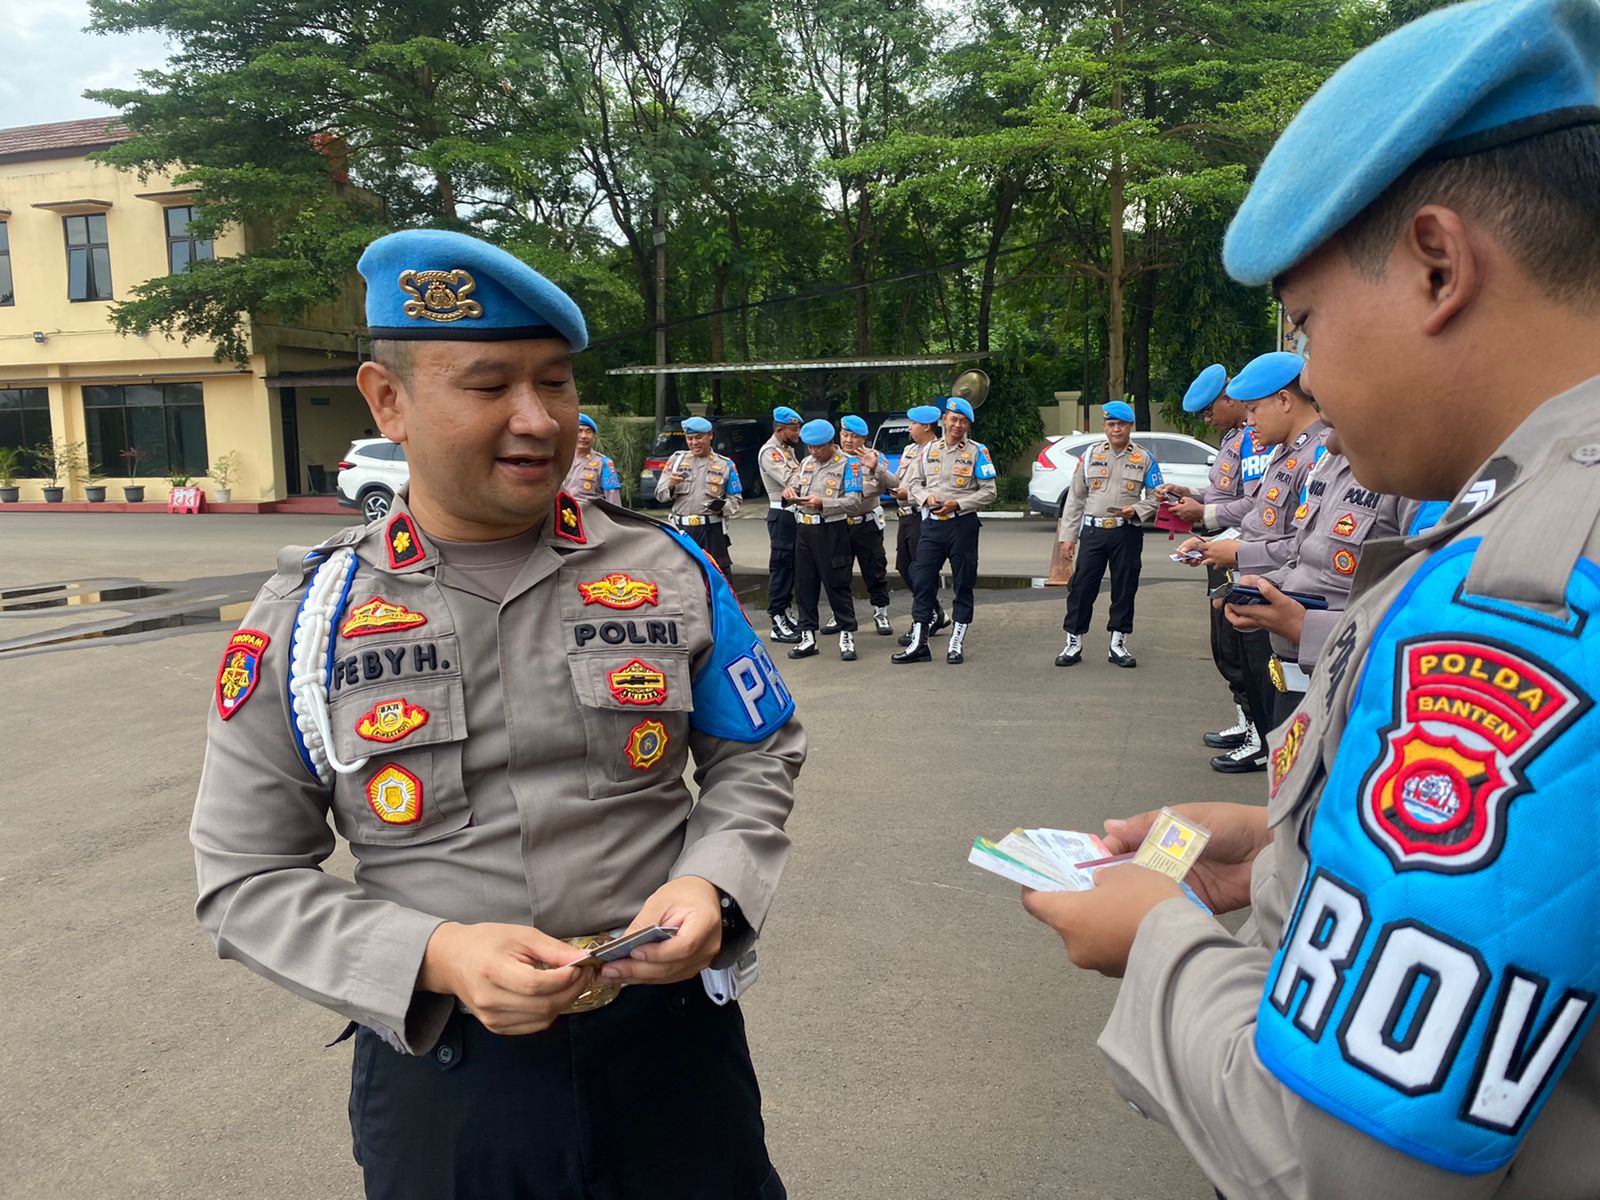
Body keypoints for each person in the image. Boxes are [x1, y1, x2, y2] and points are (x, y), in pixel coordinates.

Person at [1022, 3, 1600, 1197]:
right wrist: (1283, 850)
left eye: (1306, 322)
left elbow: (1345, 1160)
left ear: (1438, 265)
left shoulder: (1523, 590)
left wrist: (1157, 946)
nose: (1308, 376)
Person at [191, 229, 804, 1200]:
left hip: (675, 1057)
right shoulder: (307, 619)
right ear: (387, 401)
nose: (536, 419)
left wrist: (714, 886)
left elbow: (756, 751)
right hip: (448, 1080)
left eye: (555, 383)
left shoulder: (668, 573)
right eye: (489, 386)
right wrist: (435, 953)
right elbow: (243, 877)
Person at [1177, 350, 1329, 772]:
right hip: (1258, 585)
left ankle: (1263, 748)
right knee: (1265, 699)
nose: (1249, 421)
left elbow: (1301, 546)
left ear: (1284, 400)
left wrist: (1240, 555)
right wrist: (1226, 563)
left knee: (1288, 722)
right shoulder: (1283, 452)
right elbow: (1261, 522)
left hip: (1289, 601)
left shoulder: (1318, 456)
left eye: (1254, 409)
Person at [1225, 429, 1412, 721]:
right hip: (1295, 687)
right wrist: (1267, 586)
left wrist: (1304, 627)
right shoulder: (1330, 461)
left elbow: (1426, 620)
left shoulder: (1418, 471)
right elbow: (1302, 557)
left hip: (1352, 695)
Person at [1159, 364, 1274, 751]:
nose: (1207, 419)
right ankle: (1247, 719)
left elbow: (1257, 503)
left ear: (1229, 398)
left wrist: (1204, 514)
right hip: (1222, 548)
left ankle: (1260, 733)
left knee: (1243, 643)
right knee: (1225, 646)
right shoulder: (1232, 439)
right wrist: (1188, 493)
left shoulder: (1256, 441)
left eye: (1210, 411)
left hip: (1242, 550)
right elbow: (1223, 493)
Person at [1053, 401, 1164, 669]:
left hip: (1126, 532)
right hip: (1093, 531)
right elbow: (1075, 498)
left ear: (1130, 427)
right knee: (1082, 587)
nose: (1116, 429)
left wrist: (1137, 510)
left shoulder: (1144, 458)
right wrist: (1067, 538)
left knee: (1125, 587)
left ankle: (1118, 642)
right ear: (1105, 426)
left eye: (1122, 425)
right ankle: (1073, 642)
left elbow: (1157, 496)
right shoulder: (1090, 455)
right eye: (1111, 424)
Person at [892, 396, 997, 665]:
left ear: (968, 425)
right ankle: (919, 642)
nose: (957, 425)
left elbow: (989, 492)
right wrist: (925, 497)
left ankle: (956, 642)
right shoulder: (928, 451)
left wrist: (958, 503)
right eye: (953, 419)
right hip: (931, 526)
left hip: (962, 525)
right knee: (921, 579)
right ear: (944, 420)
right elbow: (914, 483)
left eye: (963, 421)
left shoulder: (977, 452)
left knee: (963, 583)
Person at [783, 419, 862, 662]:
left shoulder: (850, 464)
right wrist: (790, 493)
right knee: (804, 584)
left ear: (831, 443)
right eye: (809, 447)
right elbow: (793, 486)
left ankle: (846, 633)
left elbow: (854, 501)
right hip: (804, 529)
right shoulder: (806, 462)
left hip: (832, 529)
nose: (814, 452)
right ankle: (807, 635)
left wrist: (824, 503)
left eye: (818, 447)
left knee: (837, 583)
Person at [655, 415, 742, 576]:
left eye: (699, 437)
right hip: (683, 530)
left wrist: (721, 507)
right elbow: (659, 495)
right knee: (682, 576)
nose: (694, 443)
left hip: (712, 531)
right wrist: (671, 485)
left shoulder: (725, 464)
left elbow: (735, 499)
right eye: (690, 438)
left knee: (717, 577)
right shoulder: (676, 461)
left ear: (710, 436)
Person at [890, 404, 947, 645]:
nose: (910, 427)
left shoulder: (937, 452)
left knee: (921, 571)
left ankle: (921, 620)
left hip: (921, 515)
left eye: (913, 423)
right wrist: (878, 472)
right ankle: (935, 612)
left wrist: (909, 496)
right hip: (904, 516)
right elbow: (899, 481)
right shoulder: (909, 449)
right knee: (904, 567)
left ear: (926, 426)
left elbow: (935, 488)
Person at [837, 413, 894, 636]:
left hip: (867, 523)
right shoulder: (833, 459)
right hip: (840, 523)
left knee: (875, 569)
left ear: (864, 438)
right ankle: (840, 615)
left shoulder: (876, 457)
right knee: (839, 572)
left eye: (853, 436)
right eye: (844, 434)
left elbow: (884, 486)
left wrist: (872, 474)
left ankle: (881, 611)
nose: (848, 440)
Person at [758, 406, 803, 643]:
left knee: (791, 568)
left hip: (792, 514)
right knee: (781, 569)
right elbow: (791, 480)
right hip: (782, 515)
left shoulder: (786, 450)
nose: (798, 433)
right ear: (779, 429)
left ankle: (785, 612)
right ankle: (777, 619)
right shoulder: (771, 452)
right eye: (794, 429)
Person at [561, 412, 622, 503]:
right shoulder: (560, 459)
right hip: (561, 513)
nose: (584, 436)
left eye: (588, 432)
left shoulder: (604, 463)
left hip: (589, 514)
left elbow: (613, 498)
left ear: (594, 437)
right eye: (579, 431)